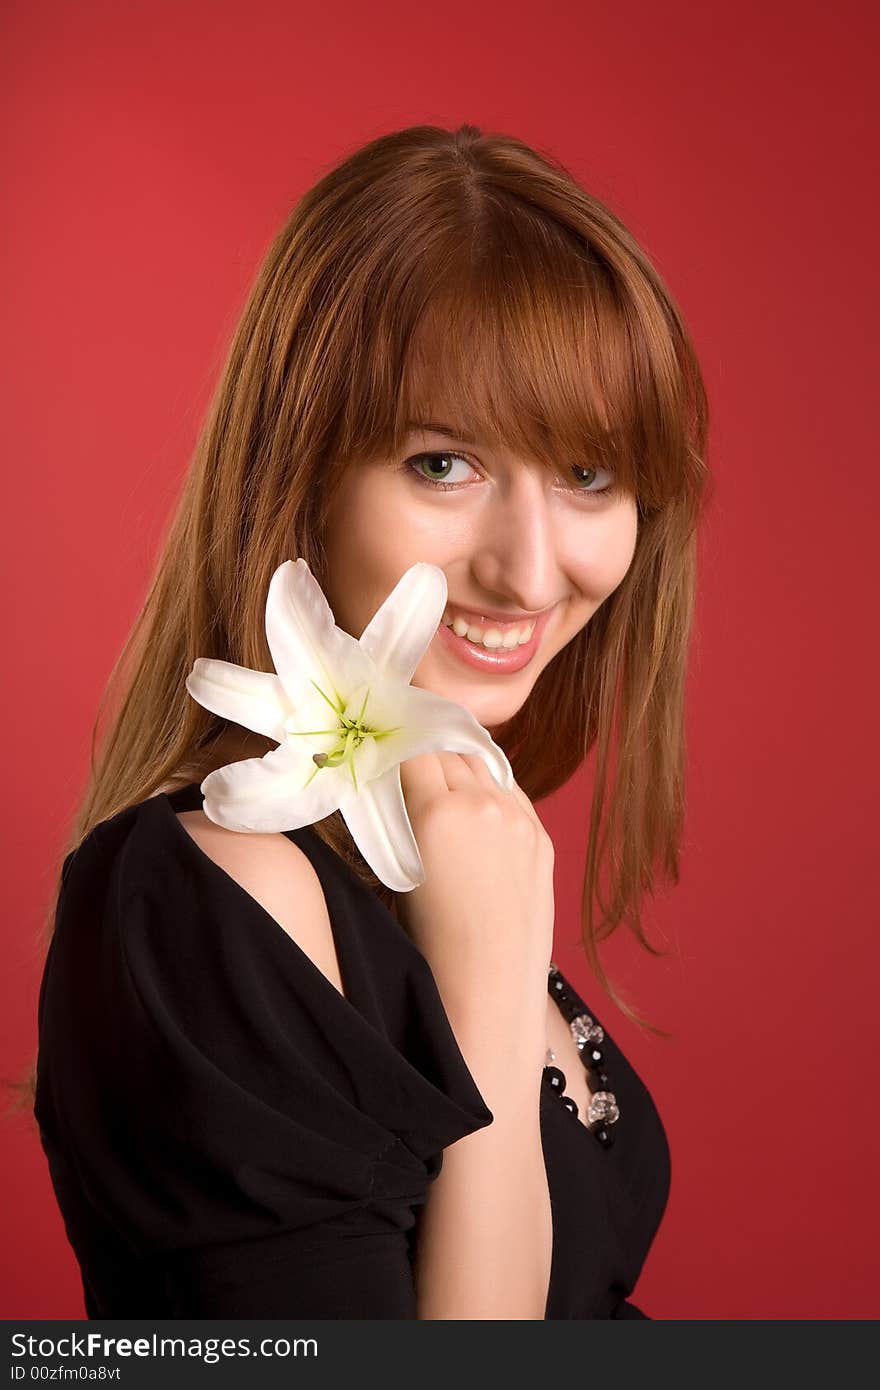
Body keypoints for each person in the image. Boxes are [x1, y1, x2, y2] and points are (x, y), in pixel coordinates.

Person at [26, 122, 711, 1319]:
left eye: (591, 474)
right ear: (300, 480)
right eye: (444, 464)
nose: (532, 571)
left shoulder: (444, 852)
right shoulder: (215, 889)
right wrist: (491, 1003)